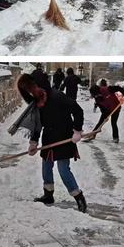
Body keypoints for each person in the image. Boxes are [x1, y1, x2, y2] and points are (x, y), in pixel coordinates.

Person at [16, 73, 87, 212]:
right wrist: (34, 142)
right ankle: (48, 195)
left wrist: (77, 130)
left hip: (64, 138)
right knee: (46, 168)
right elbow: (38, 123)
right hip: (49, 138)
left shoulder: (58, 96)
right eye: (29, 90)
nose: (32, 92)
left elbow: (78, 111)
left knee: (63, 170)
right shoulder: (38, 102)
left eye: (32, 88)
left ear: (39, 84)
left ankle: (79, 198)